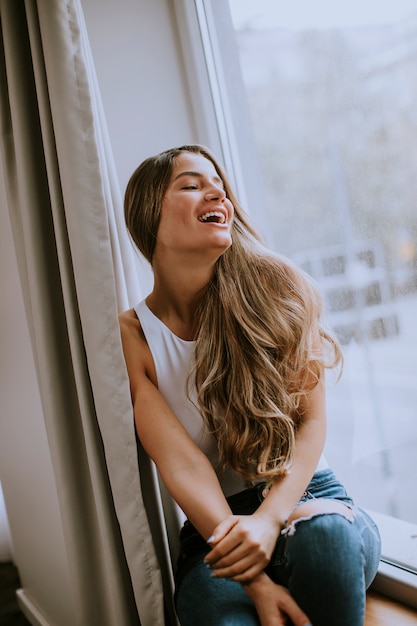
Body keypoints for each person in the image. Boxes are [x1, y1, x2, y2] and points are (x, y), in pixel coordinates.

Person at [119, 144, 381, 626]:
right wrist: (254, 576)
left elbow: (312, 421)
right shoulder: (133, 336)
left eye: (218, 184)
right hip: (213, 531)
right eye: (193, 185)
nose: (215, 190)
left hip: (307, 498)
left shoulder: (276, 286)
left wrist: (268, 519)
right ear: (148, 213)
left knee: (326, 541)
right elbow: (181, 463)